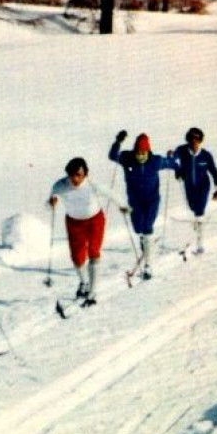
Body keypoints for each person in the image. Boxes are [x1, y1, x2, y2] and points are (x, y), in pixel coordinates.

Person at [48, 157, 126, 306]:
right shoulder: (59, 186)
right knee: (77, 257)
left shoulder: (92, 185)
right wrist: (51, 203)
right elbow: (50, 202)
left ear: (85, 174)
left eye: (79, 175)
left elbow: (110, 194)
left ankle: (93, 292)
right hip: (74, 222)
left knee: (94, 252)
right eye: (72, 175)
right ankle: (84, 282)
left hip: (94, 220)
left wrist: (122, 206)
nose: (75, 179)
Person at [108, 131, 175, 279]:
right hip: (135, 200)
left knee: (148, 227)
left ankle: (148, 265)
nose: (140, 155)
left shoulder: (156, 161)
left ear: (148, 151)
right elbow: (112, 155)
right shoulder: (127, 158)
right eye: (138, 152)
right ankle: (144, 240)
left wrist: (175, 163)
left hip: (152, 199)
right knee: (138, 228)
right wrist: (118, 142)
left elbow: (171, 163)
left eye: (143, 152)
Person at [170, 127, 217, 254]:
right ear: (188, 140)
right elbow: (174, 159)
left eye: (197, 140)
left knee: (199, 211)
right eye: (192, 139)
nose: (194, 142)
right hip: (189, 185)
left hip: (203, 185)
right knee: (193, 208)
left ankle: (200, 245)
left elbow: (214, 171)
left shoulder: (206, 155)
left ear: (200, 140)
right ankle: (198, 223)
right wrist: (177, 170)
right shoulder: (182, 150)